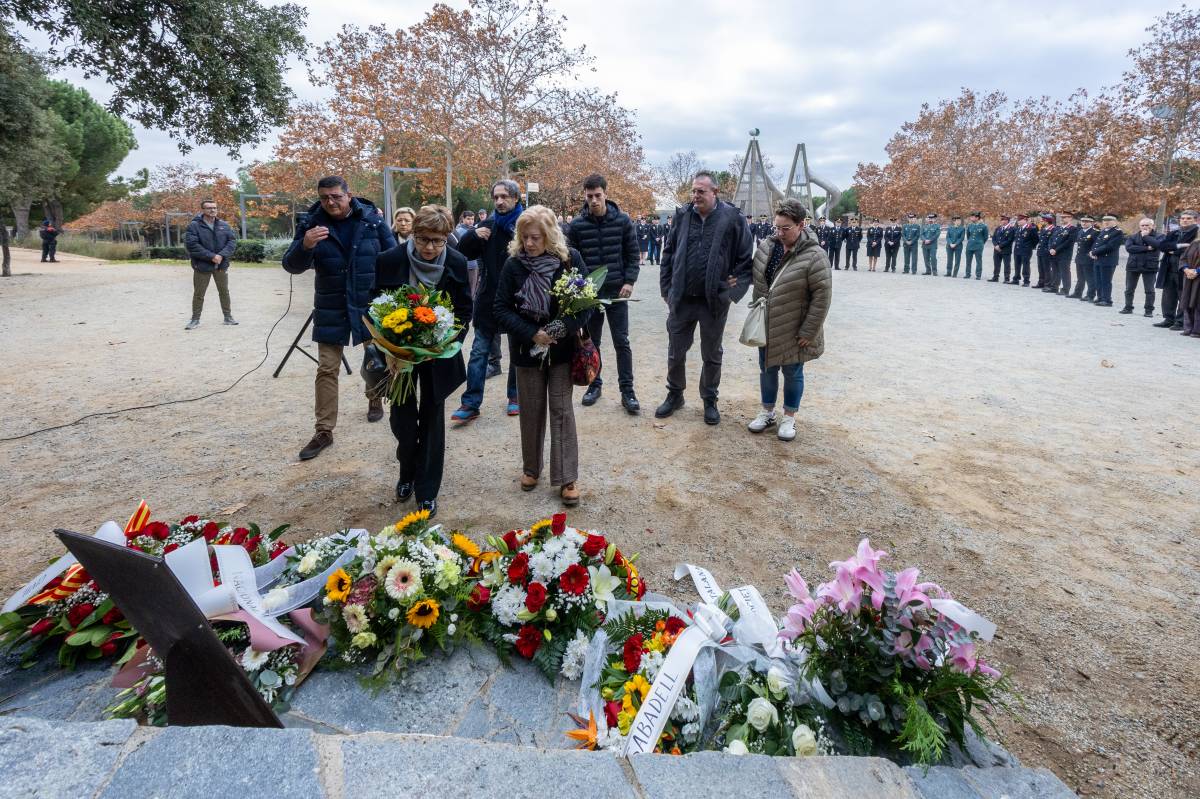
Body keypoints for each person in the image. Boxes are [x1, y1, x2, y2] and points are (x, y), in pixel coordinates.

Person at [283, 175, 397, 460]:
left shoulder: (372, 221)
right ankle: (324, 431)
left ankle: (374, 399)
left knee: (374, 359)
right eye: (325, 198)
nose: (331, 202)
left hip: (369, 303)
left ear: (349, 195)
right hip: (331, 304)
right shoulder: (311, 225)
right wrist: (305, 245)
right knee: (326, 368)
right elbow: (291, 265)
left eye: (336, 196)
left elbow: (394, 257)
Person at [373, 206, 472, 519]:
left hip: (437, 357)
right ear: (411, 233)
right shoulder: (389, 260)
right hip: (398, 355)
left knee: (432, 420)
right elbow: (374, 305)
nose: (430, 247)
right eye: (423, 239)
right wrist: (388, 350)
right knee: (402, 419)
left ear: (447, 239)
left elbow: (464, 311)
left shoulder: (455, 262)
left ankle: (427, 491)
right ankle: (407, 472)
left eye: (438, 241)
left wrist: (447, 342)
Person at [493, 206, 591, 506]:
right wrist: (531, 332)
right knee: (531, 411)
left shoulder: (570, 260)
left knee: (561, 411)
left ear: (550, 236)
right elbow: (500, 308)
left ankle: (566, 478)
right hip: (527, 351)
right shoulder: (513, 265)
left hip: (562, 351)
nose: (529, 244)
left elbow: (586, 304)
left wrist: (560, 327)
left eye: (535, 237)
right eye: (524, 238)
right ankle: (531, 469)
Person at [655, 170, 754, 425]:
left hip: (713, 302)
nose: (695, 196)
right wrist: (667, 289)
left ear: (715, 192)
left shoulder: (732, 219)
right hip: (682, 299)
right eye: (694, 191)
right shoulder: (683, 216)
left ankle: (710, 400)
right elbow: (668, 254)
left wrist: (732, 292)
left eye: (701, 191)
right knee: (676, 351)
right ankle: (675, 395)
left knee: (712, 354)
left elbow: (745, 259)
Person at [746, 199, 831, 442]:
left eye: (786, 228)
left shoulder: (815, 256)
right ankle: (767, 412)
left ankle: (789, 417)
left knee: (793, 373)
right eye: (777, 227)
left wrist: (809, 331)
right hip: (767, 324)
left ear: (801, 225)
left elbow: (822, 297)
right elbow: (755, 278)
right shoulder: (766, 247)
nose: (780, 233)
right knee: (766, 369)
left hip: (796, 328)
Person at [566, 174, 641, 414]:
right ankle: (594, 385)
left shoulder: (623, 221)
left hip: (617, 292)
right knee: (592, 343)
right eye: (590, 197)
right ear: (585, 197)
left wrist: (629, 281)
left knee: (622, 342)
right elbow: (571, 261)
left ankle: (627, 391)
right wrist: (579, 290)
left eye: (598, 195)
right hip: (590, 295)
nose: (594, 200)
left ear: (605, 194)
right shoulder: (577, 226)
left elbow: (632, 254)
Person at [451, 179, 523, 422]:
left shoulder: (525, 225)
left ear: (515, 198)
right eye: (496, 197)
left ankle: (515, 396)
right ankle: (471, 403)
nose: (499, 201)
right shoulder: (486, 225)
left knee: (518, 350)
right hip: (488, 299)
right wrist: (473, 235)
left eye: (504, 196)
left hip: (519, 300)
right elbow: (463, 253)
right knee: (479, 351)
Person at [183, 199, 238, 330]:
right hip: (202, 266)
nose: (212, 210)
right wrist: (211, 256)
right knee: (199, 294)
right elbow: (192, 245)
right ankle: (195, 320)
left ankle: (228, 317)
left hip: (221, 265)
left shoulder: (224, 225)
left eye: (214, 207)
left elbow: (232, 242)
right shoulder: (194, 226)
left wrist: (221, 255)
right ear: (203, 210)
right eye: (209, 208)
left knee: (224, 292)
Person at [1153, 209, 1197, 329]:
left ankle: (1181, 321)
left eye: (1188, 218)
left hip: (1185, 268)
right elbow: (1162, 246)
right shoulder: (1175, 232)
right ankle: (1168, 318)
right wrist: (1179, 246)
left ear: (1195, 220)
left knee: (1183, 294)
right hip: (1169, 267)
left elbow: (1192, 251)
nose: (1185, 220)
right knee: (1168, 294)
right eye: (1183, 218)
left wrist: (1172, 249)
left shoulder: (1197, 233)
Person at [1122, 218, 1159, 317]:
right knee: (1129, 289)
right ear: (1140, 226)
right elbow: (1129, 248)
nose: (1145, 227)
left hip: (1150, 266)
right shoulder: (1133, 237)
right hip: (1133, 265)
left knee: (1149, 290)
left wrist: (1146, 237)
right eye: (1142, 225)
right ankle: (1128, 307)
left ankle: (1148, 310)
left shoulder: (1159, 236)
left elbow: (1157, 245)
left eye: (1147, 225)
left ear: (1153, 226)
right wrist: (1146, 248)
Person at [1089, 214, 1124, 307]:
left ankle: (1107, 300)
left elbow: (1110, 246)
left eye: (1109, 220)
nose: (1106, 222)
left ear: (1115, 222)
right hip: (1098, 259)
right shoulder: (1104, 231)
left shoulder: (1117, 232)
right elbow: (1097, 243)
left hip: (1108, 260)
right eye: (1104, 220)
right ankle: (1100, 297)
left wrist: (1095, 252)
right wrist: (1092, 252)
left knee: (1106, 281)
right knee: (1098, 280)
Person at [1048, 212, 1078, 295]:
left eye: (1064, 217)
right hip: (1054, 253)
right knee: (1055, 271)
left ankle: (1065, 289)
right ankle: (1054, 287)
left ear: (1070, 218)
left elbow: (1068, 242)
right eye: (1061, 217)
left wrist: (1056, 250)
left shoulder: (1073, 229)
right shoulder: (1058, 228)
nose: (1062, 219)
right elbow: (1051, 239)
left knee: (1065, 271)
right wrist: (1050, 248)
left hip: (1064, 254)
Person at [1071, 216, 1099, 300]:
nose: (1084, 223)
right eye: (1082, 221)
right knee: (1080, 278)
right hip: (1079, 257)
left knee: (1090, 278)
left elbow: (1096, 245)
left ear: (1092, 223)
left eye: (1086, 222)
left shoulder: (1095, 232)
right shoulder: (1080, 231)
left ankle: (1090, 295)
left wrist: (1093, 254)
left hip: (1088, 258)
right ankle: (1077, 293)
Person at [455, 210, 479, 294]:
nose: (471, 221)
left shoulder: (476, 230)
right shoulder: (458, 231)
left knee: (472, 290)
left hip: (473, 265)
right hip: (462, 265)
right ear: (463, 219)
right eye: (468, 219)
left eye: (472, 219)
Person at [1179, 238, 1200, 336]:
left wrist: (1197, 271)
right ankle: (1188, 328)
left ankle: (1197, 330)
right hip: (1189, 277)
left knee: (1198, 302)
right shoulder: (1195, 243)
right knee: (1187, 300)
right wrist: (1186, 269)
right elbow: (1183, 258)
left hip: (1197, 276)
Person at [989, 214, 1015, 282]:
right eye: (1002, 220)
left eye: (1005, 220)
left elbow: (1009, 240)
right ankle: (995, 277)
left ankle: (1007, 278)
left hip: (1006, 250)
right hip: (997, 250)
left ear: (1008, 221)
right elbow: (994, 238)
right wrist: (995, 245)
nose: (1003, 221)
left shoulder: (1011, 229)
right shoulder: (998, 228)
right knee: (996, 264)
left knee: (1006, 265)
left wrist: (1000, 246)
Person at [1013, 213, 1038, 286]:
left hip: (1026, 250)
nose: (1018, 221)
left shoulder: (1031, 228)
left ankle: (1026, 281)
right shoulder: (1018, 228)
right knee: (1017, 265)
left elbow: (1036, 239)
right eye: (1018, 220)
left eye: (1020, 220)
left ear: (1025, 220)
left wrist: (1030, 247)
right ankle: (1016, 279)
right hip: (1017, 249)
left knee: (1026, 265)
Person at [964, 212, 988, 280]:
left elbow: (985, 237)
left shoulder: (983, 226)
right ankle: (967, 274)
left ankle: (978, 275)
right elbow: (968, 235)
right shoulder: (970, 226)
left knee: (978, 261)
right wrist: (971, 241)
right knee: (968, 260)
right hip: (970, 245)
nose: (971, 218)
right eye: (971, 217)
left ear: (977, 218)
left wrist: (981, 243)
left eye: (972, 217)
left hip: (978, 246)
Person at [1034, 213, 1055, 290]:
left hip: (1047, 252)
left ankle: (1048, 284)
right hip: (1040, 251)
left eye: (1042, 221)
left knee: (1047, 268)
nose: (1041, 222)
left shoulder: (1053, 229)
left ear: (1046, 221)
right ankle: (1041, 282)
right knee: (1040, 268)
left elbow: (1052, 241)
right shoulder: (1043, 229)